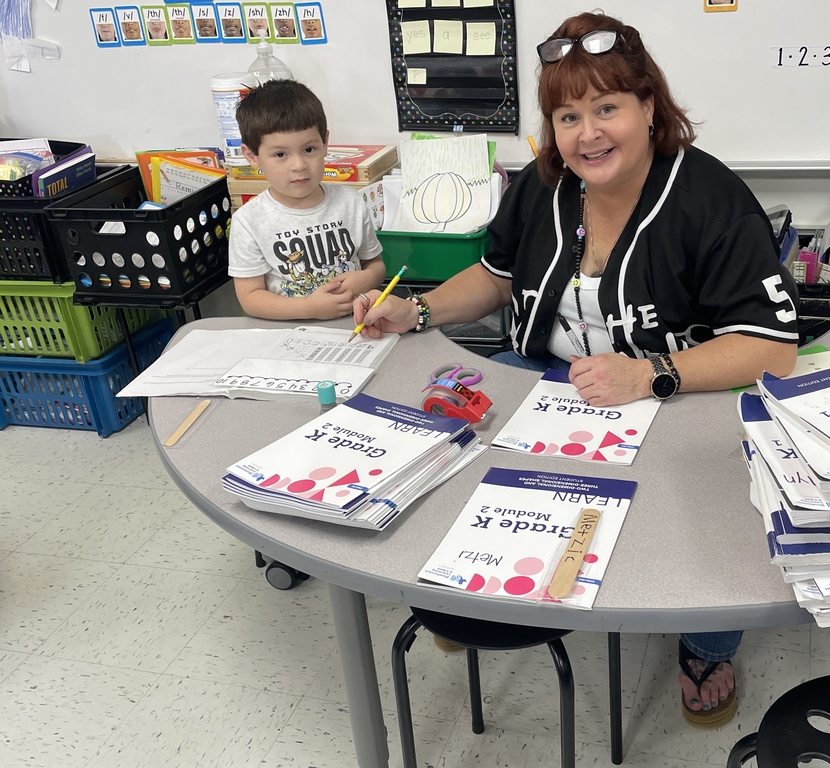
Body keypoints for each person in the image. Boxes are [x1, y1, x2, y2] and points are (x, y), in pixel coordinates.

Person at [355, 11, 798, 726]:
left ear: (649, 106)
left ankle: (705, 643)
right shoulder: (542, 186)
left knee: (710, 501)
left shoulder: (710, 199)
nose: (587, 133)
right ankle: (473, 583)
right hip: (543, 376)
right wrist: (422, 310)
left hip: (675, 392)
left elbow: (772, 347)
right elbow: (495, 277)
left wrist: (651, 374)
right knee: (458, 438)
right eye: (568, 114)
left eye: (606, 107)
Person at [229, 80, 386, 320]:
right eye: (280, 154)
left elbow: (375, 264)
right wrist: (309, 308)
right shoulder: (248, 221)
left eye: (309, 150)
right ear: (252, 156)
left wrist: (366, 278)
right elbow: (250, 297)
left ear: (325, 143)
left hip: (355, 325)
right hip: (288, 333)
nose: (299, 165)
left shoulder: (350, 202)